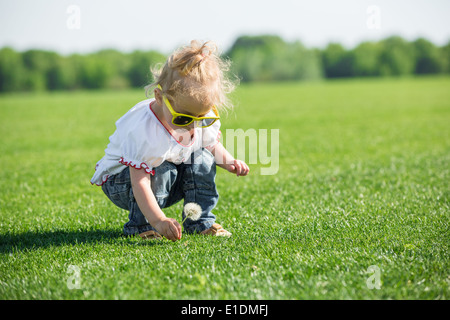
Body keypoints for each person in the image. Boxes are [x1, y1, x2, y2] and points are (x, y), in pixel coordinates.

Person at [90, 40, 249, 241]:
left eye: (203, 117)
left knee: (202, 158)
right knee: (163, 168)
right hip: (123, 183)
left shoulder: (195, 118)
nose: (193, 126)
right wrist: (158, 220)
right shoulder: (144, 130)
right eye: (183, 118)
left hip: (166, 179)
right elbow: (140, 181)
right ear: (159, 97)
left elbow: (211, 144)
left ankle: (200, 222)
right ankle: (142, 226)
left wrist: (230, 162)